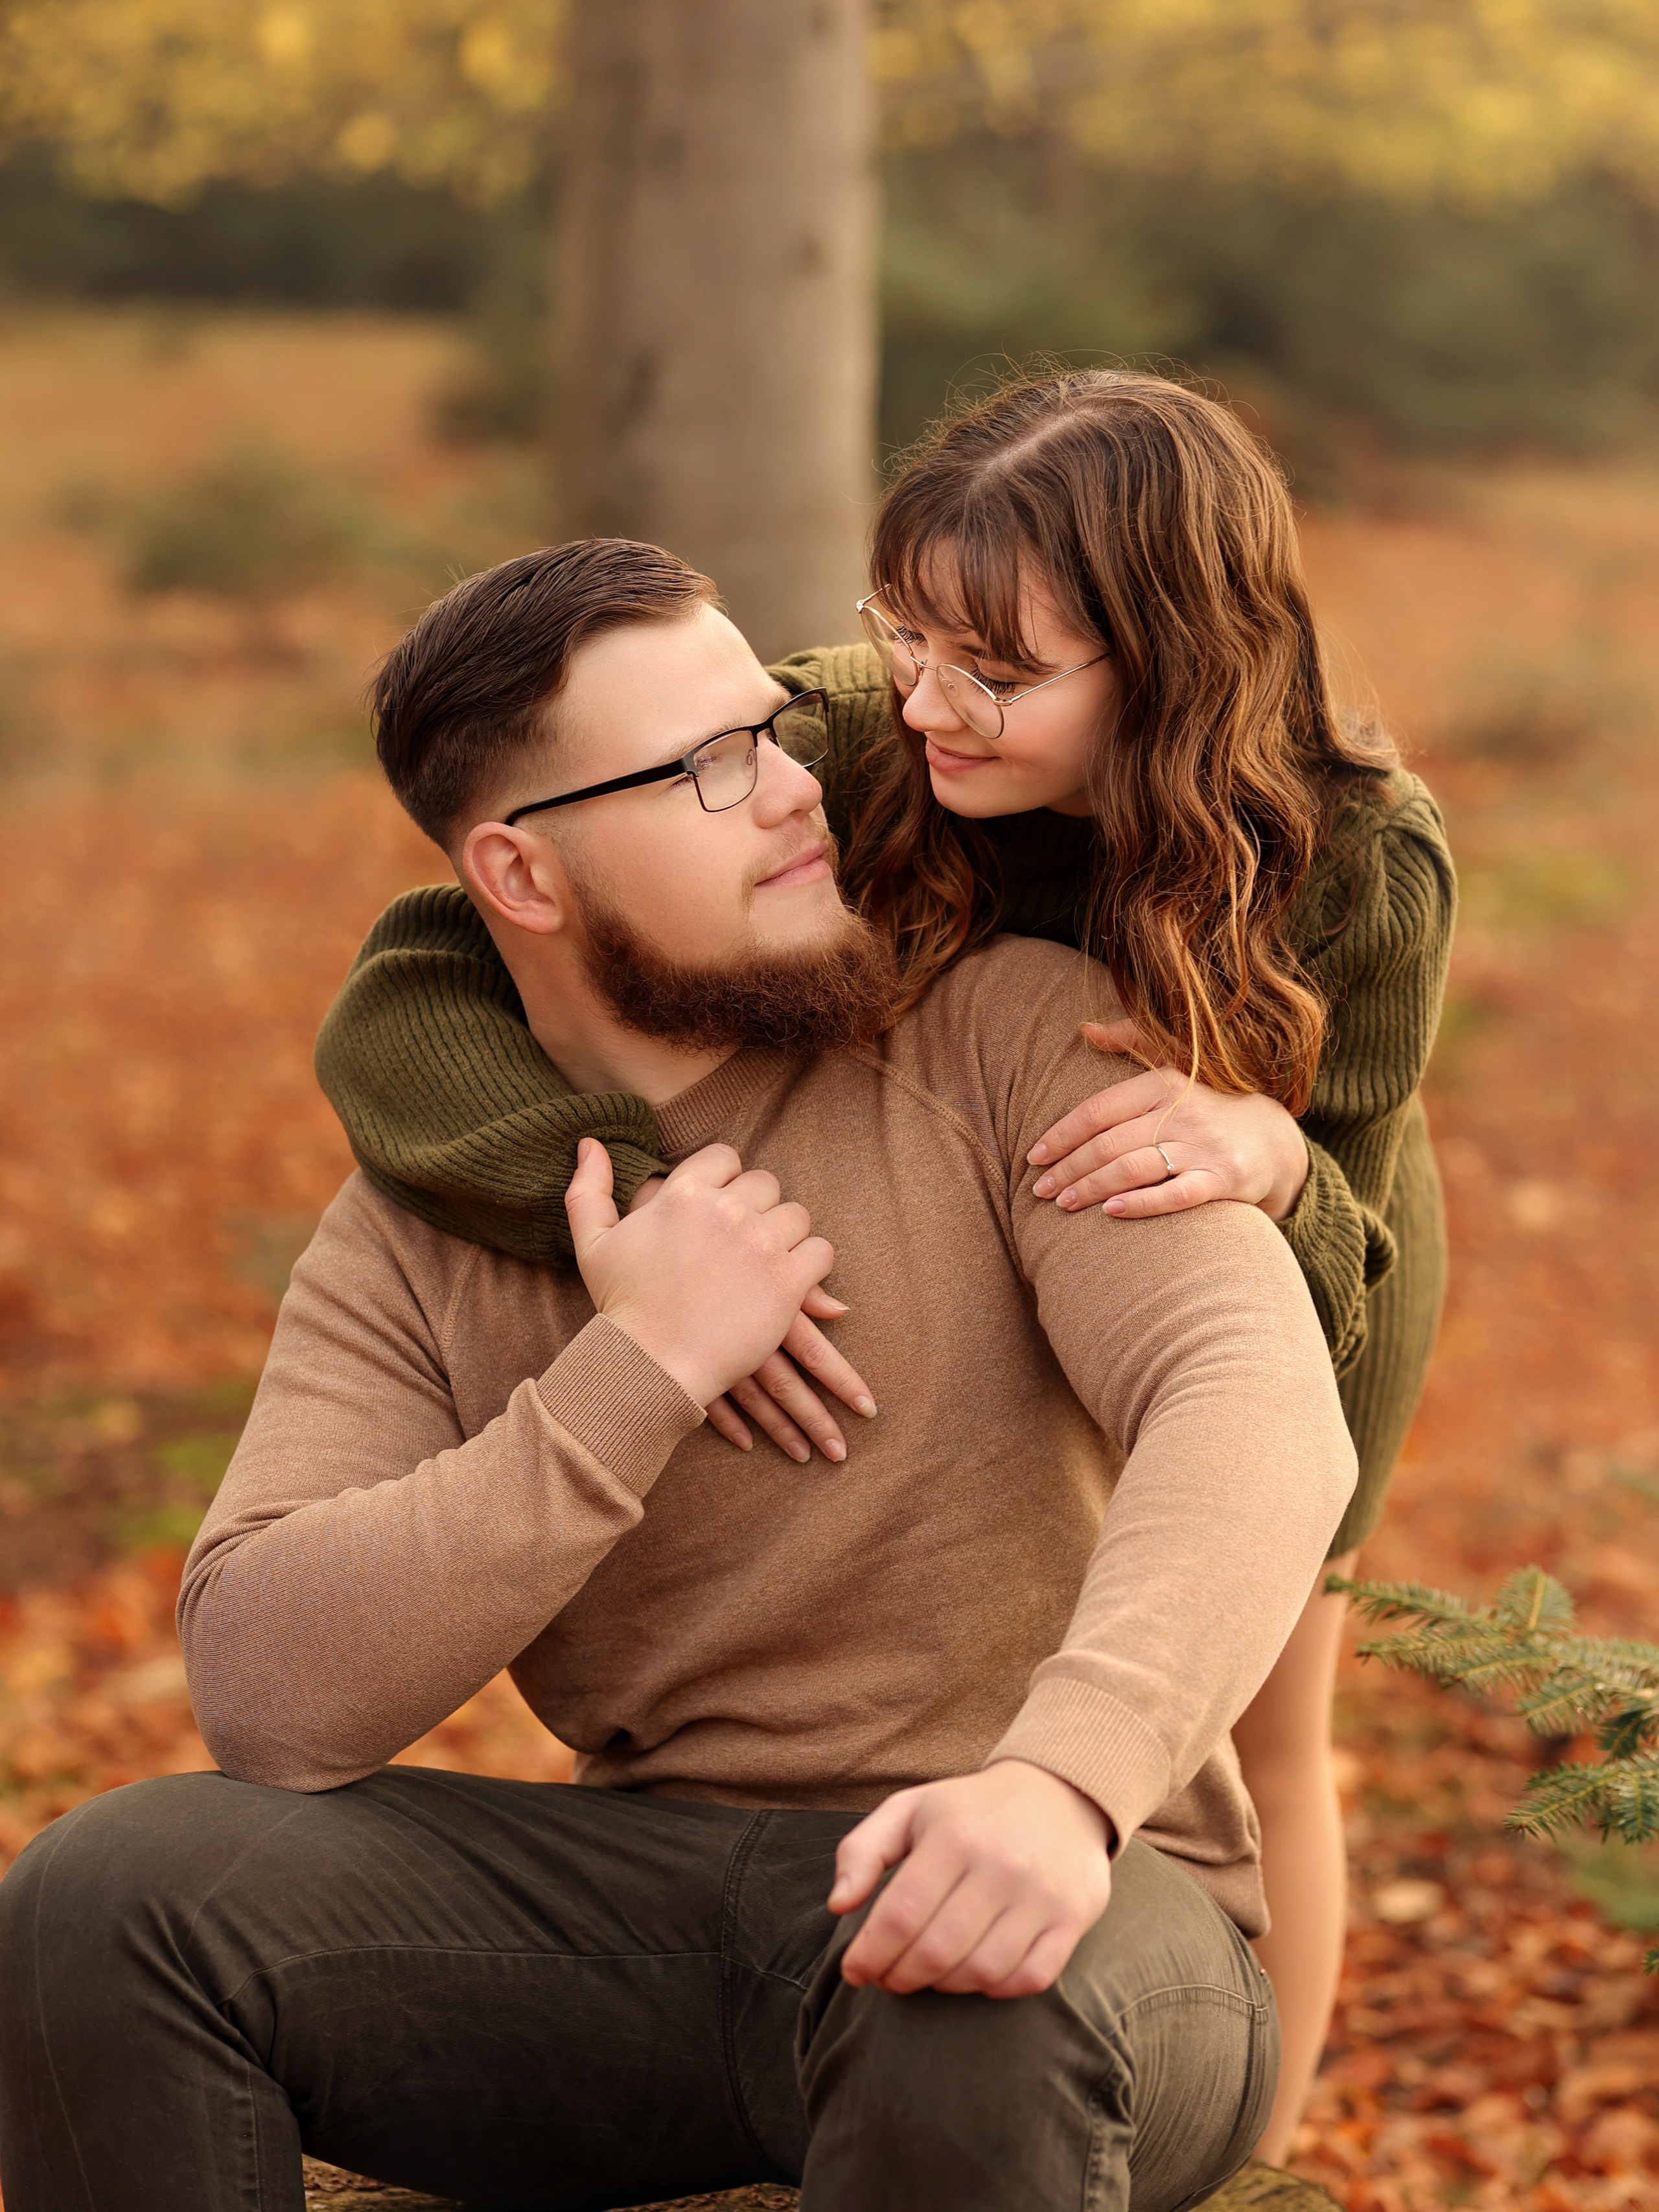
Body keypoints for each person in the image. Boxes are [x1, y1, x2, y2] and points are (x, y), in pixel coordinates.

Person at [0, 537, 1358, 2212]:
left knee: (964, 1993)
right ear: (520, 875)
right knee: (108, 1896)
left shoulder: (1012, 1038)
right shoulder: (426, 1218)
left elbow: (1255, 1407)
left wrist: (1062, 1782)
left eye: (773, 731)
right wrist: (635, 1365)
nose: (796, 791)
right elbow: (270, 1693)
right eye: (712, 769)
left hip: (1086, 1899)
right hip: (644, 1924)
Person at [311, 369, 1457, 2156]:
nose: (930, 696)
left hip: (1298, 1250)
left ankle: (1248, 2157)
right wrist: (625, 1194)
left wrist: (1268, 1156)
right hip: (1005, 1159)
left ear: (1163, 664)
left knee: (1259, 1716)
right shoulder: (856, 729)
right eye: (906, 632)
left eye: (995, 674)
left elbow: (1347, 1155)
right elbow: (415, 986)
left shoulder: (1362, 861)